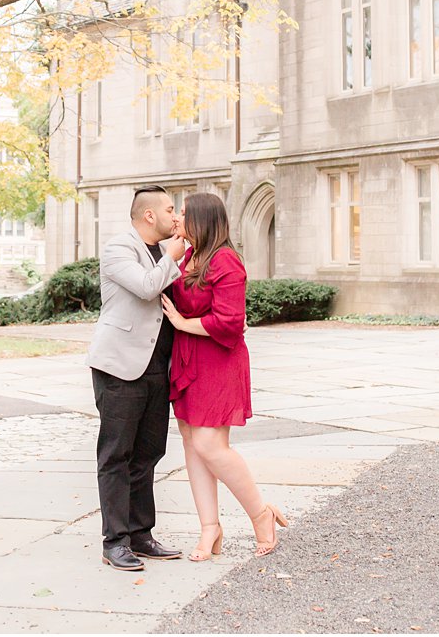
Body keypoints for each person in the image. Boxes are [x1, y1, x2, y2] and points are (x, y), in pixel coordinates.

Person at [161, 192, 289, 560]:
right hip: (188, 359)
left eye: (184, 214)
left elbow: (231, 322)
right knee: (191, 443)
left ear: (202, 220)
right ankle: (209, 528)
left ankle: (261, 514)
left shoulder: (226, 261)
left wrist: (185, 322)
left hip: (218, 360)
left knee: (209, 445)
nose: (178, 220)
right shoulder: (187, 256)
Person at [87, 185, 189, 571]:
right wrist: (175, 256)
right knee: (116, 454)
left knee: (148, 453)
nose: (174, 214)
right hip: (119, 367)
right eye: (169, 208)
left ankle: (141, 534)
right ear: (149, 216)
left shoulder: (164, 252)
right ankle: (114, 541)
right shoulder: (118, 249)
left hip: (156, 367)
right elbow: (147, 287)